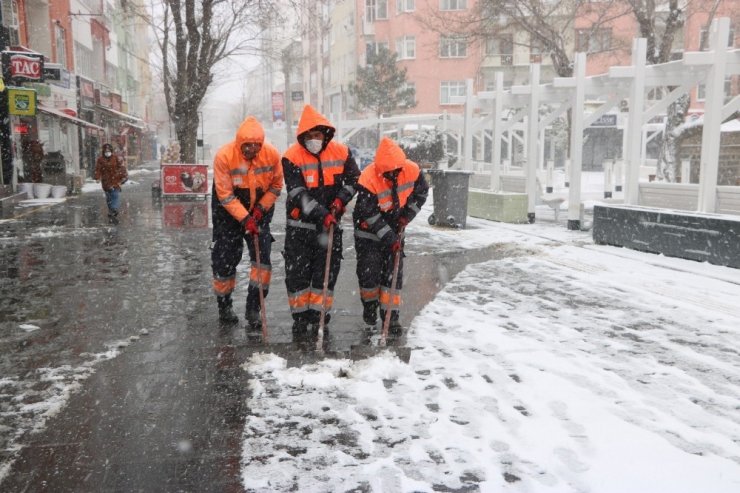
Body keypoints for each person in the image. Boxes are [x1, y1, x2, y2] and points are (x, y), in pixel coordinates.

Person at [282, 104, 360, 333]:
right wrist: (322, 213)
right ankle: (299, 318)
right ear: (302, 137)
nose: (313, 140)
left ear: (325, 134)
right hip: (300, 228)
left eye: (317, 135)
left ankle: (319, 316)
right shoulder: (291, 157)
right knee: (298, 275)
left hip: (330, 228)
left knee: (324, 274)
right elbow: (297, 193)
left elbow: (354, 180)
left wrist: (339, 201)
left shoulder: (341, 152)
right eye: (309, 136)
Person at [211, 116, 283, 326]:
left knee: (263, 263)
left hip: (260, 210)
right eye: (247, 145)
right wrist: (244, 218)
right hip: (228, 214)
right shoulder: (224, 156)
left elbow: (276, 185)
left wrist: (260, 209)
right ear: (239, 143)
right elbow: (224, 195)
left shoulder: (271, 155)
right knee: (224, 261)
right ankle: (224, 305)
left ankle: (254, 308)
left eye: (256, 145)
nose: (252, 149)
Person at [352, 137, 429, 331]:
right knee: (369, 275)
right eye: (388, 173)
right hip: (368, 233)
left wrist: (407, 215)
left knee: (392, 274)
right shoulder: (368, 178)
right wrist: (390, 238)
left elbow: (421, 193)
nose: (393, 176)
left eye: (396, 171)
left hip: (395, 227)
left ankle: (391, 316)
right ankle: (369, 308)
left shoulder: (412, 170)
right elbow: (369, 213)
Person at [94, 143, 128, 221]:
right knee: (109, 197)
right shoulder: (100, 160)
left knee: (115, 195)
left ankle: (114, 208)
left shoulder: (116, 158)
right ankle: (111, 210)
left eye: (109, 151)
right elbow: (97, 169)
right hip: (106, 182)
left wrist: (124, 176)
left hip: (115, 180)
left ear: (111, 151)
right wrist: (97, 177)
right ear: (103, 151)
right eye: (106, 151)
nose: (107, 152)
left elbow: (121, 167)